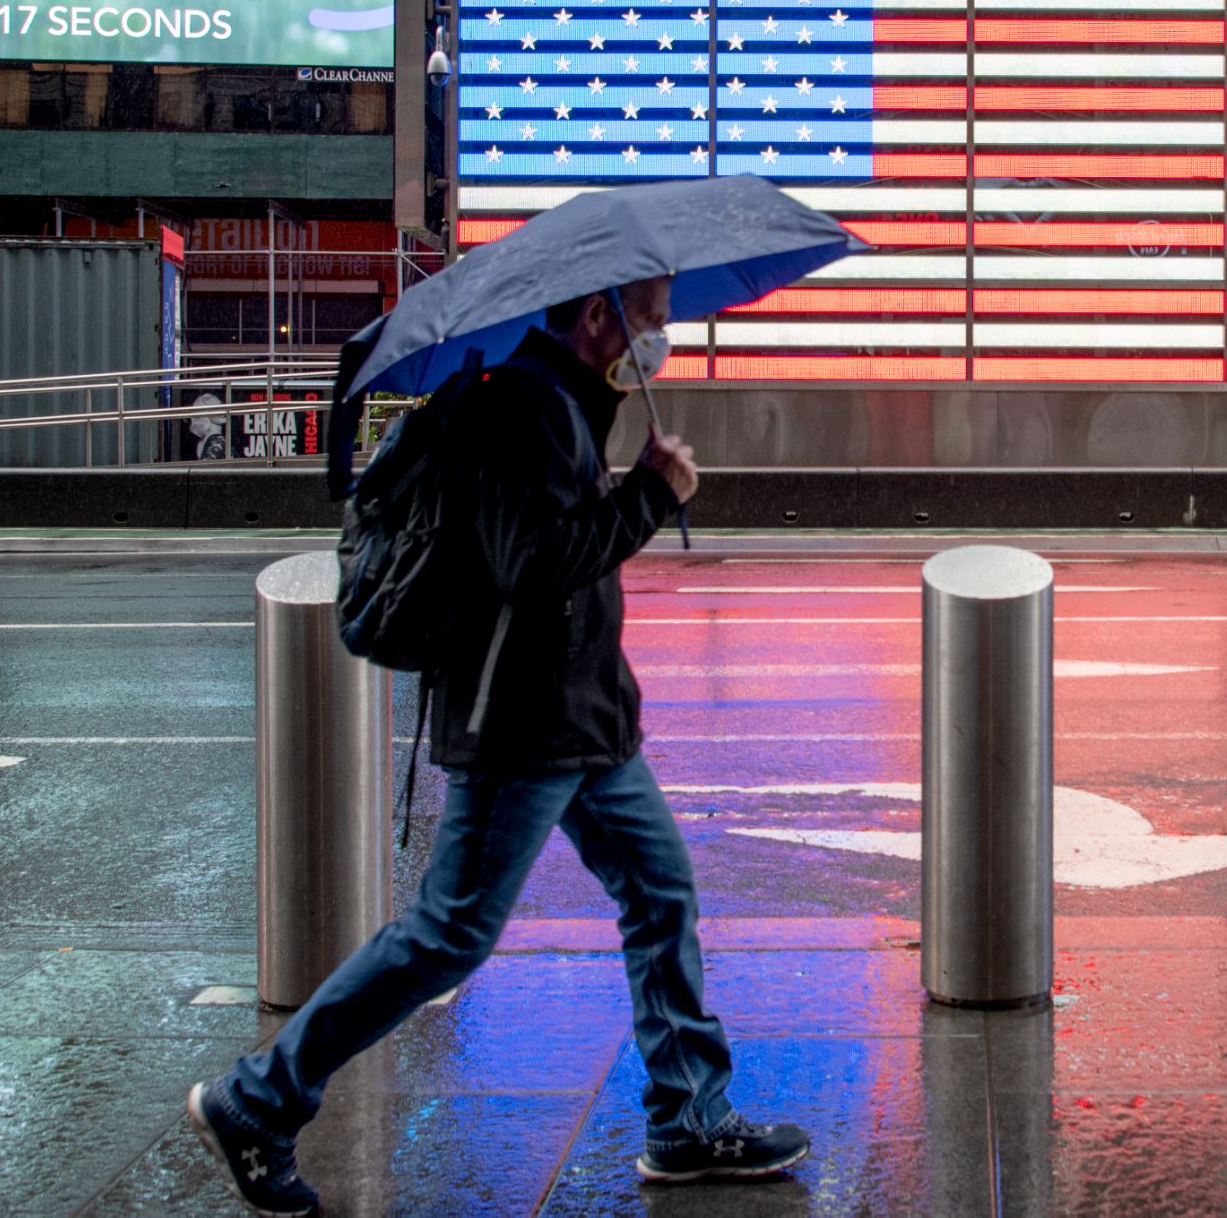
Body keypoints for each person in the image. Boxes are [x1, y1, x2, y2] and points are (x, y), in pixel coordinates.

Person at [186, 275, 808, 1215]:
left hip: (586, 723)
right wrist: (649, 492)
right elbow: (535, 563)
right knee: (447, 935)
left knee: (659, 892)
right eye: (652, 314)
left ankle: (688, 1116)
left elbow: (561, 548)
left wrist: (630, 477)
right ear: (598, 316)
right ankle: (258, 1099)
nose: (662, 334)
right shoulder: (522, 403)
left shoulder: (564, 402)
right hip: (522, 724)